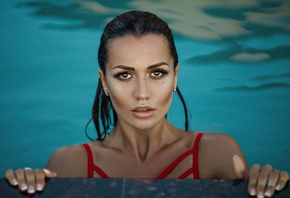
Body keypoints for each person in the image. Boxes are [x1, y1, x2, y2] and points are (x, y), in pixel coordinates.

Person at [5, 10, 289, 197]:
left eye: (157, 73)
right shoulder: (70, 163)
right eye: (124, 75)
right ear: (104, 82)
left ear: (175, 76)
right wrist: (27, 185)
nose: (142, 93)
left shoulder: (216, 154)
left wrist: (265, 184)